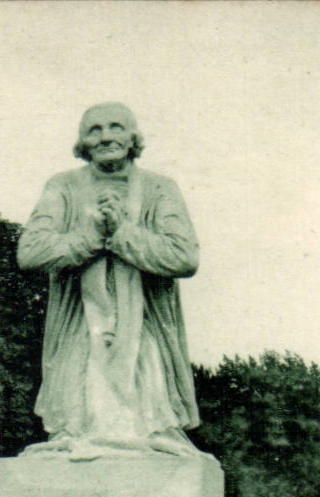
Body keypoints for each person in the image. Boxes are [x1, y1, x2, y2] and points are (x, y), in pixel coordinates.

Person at [17, 103, 201, 459]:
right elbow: (31, 252)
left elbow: (184, 256)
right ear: (82, 142)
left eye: (115, 127)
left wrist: (123, 234)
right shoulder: (63, 187)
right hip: (79, 327)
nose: (105, 137)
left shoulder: (160, 188)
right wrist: (89, 235)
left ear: (133, 137)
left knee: (147, 409)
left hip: (144, 327)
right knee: (77, 401)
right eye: (95, 130)